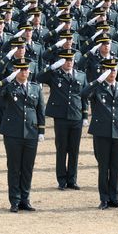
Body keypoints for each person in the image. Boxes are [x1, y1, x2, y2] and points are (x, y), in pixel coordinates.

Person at [0, 57, 45, 212]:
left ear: (29, 71)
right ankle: (14, 200)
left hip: (31, 132)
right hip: (13, 133)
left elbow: (40, 110)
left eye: (25, 69)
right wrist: (7, 79)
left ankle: (25, 199)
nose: (23, 72)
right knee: (14, 167)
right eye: (20, 69)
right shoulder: (9, 87)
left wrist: (41, 130)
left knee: (27, 167)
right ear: (16, 71)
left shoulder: (35, 88)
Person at [82, 58, 118, 210]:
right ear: (103, 71)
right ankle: (104, 198)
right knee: (103, 167)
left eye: (114, 70)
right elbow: (83, 94)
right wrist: (98, 81)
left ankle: (114, 197)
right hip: (102, 132)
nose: (112, 73)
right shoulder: (97, 88)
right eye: (108, 70)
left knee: (115, 167)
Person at [36, 48, 88, 191]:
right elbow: (38, 77)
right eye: (65, 60)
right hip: (61, 117)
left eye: (70, 60)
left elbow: (83, 97)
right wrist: (52, 67)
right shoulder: (54, 75)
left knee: (74, 150)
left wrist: (84, 115)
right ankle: (62, 180)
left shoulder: (81, 76)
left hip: (76, 116)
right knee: (61, 149)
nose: (69, 62)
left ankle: (72, 179)